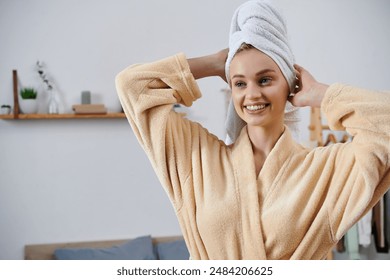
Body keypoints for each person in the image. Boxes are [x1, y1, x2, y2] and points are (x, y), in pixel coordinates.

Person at [115, 0, 390, 259]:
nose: (252, 94)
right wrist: (217, 62)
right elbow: (133, 87)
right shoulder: (197, 160)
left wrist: (320, 94)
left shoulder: (323, 172)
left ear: (290, 84)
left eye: (265, 79)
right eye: (240, 83)